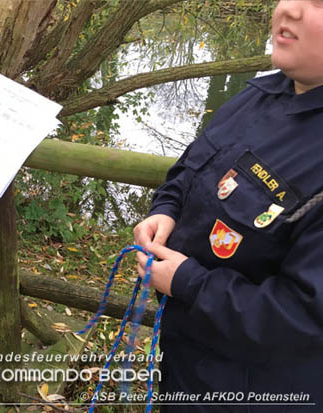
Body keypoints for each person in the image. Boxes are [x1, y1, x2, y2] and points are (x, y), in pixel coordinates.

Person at [133, 1, 323, 411]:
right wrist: (164, 209)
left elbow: (306, 318)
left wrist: (189, 283)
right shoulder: (258, 94)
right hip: (186, 367)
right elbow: (191, 168)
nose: (288, 9)